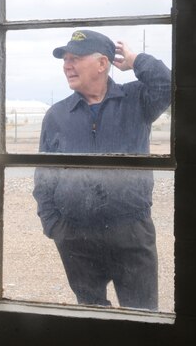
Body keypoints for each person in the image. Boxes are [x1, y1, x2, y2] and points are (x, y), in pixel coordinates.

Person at [32, 29, 171, 311]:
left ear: (102, 63)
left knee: (142, 318)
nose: (67, 65)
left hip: (130, 231)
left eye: (76, 58)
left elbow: (169, 85)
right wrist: (56, 227)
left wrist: (136, 61)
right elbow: (45, 177)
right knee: (91, 319)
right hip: (76, 236)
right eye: (65, 59)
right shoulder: (57, 116)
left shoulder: (136, 100)